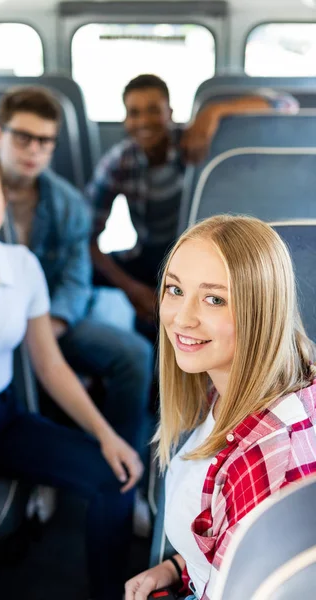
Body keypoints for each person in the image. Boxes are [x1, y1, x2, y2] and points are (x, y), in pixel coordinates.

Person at [0, 121, 144, 600]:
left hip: (5, 420)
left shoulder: (22, 266)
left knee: (116, 478)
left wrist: (107, 436)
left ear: (3, 198)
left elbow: (49, 365)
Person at [125, 214, 316, 599]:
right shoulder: (243, 378)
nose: (182, 317)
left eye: (214, 299)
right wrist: (178, 567)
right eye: (175, 290)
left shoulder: (266, 460)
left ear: (259, 311)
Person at [0, 86, 152, 460]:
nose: (35, 150)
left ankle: (116, 459)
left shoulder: (66, 203)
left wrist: (52, 324)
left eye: (46, 141)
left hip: (48, 320)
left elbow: (76, 279)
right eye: (24, 138)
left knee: (135, 355)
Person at [87, 74, 299, 342]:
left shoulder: (197, 140)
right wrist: (132, 289)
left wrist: (213, 111)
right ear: (125, 120)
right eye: (134, 113)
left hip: (208, 255)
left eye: (154, 111)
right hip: (153, 256)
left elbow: (285, 104)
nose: (144, 122)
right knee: (89, 271)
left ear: (170, 113)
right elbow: (87, 237)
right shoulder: (119, 162)